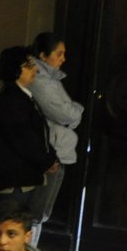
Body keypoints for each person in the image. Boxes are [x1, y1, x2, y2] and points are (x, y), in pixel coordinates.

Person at [0, 45, 57, 234]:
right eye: (29, 65)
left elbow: (36, 134)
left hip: (22, 177)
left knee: (21, 231)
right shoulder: (11, 100)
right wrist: (46, 160)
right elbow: (23, 138)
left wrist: (49, 156)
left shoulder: (22, 97)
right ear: (15, 69)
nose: (34, 69)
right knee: (11, 232)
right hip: (14, 179)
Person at [27, 32, 84, 240]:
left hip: (57, 148)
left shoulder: (51, 77)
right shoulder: (40, 80)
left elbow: (68, 115)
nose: (63, 59)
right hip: (49, 149)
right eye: (59, 54)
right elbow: (65, 113)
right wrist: (75, 110)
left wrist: (71, 113)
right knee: (35, 212)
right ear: (43, 55)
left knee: (41, 212)